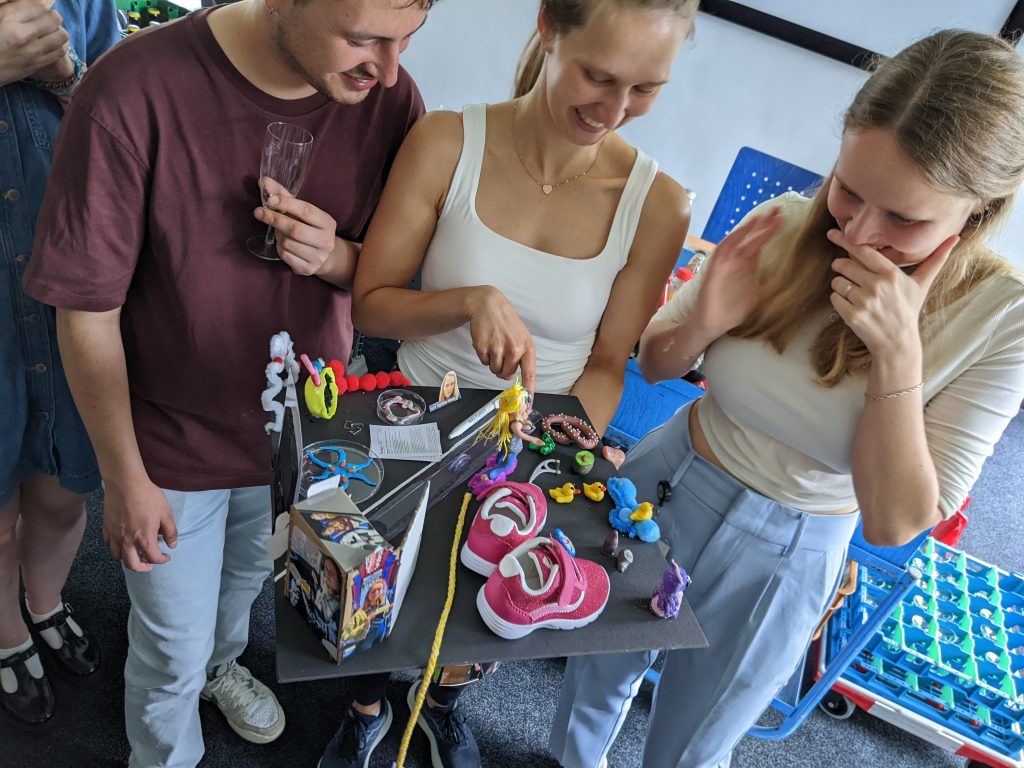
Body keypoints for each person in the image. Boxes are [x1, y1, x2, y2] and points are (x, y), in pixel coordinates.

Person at [550, 29, 1024, 768]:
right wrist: (707, 319)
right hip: (671, 475)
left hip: (795, 542)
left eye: (904, 219)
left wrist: (898, 353)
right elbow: (657, 356)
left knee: (694, 740)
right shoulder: (787, 223)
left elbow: (897, 520)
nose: (858, 233)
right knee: (593, 676)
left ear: (977, 210)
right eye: (849, 189)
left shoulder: (1002, 317)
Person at [22, 0, 436, 764]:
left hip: (303, 436)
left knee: (241, 593)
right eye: (366, 38)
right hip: (168, 447)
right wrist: (124, 478)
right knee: (167, 648)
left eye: (409, 39)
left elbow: (395, 270)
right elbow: (85, 314)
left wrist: (339, 257)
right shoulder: (130, 91)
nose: (388, 67)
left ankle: (221, 666)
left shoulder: (392, 98)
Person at [327, 1, 698, 766]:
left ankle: (440, 703)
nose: (616, 110)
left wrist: (553, 447)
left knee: (491, 601)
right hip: (414, 416)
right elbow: (373, 300)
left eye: (645, 89)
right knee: (378, 594)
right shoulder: (447, 142)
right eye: (598, 76)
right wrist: (467, 301)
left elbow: (604, 364)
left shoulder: (658, 205)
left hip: (537, 435)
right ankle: (363, 706)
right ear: (549, 30)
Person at [0, 0, 120, 726]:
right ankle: (6, 633)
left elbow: (118, 116)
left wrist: (67, 73)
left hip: (65, 295)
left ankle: (44, 600)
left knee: (63, 482)